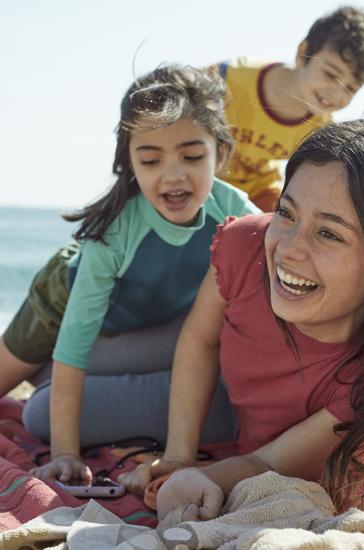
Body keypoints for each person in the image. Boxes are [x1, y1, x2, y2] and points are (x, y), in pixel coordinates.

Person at [121, 120, 364, 530]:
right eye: (286, 212)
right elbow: (200, 340)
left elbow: (265, 462)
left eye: (329, 234)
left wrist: (196, 479)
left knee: (45, 411)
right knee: (56, 400)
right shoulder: (247, 244)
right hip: (216, 385)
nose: (289, 248)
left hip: (257, 436)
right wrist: (178, 454)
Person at [0, 64, 259, 483]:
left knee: (49, 394)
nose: (173, 174)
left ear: (221, 153)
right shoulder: (115, 232)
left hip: (155, 323)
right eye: (151, 159)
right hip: (62, 300)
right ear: (130, 163)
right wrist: (64, 453)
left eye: (192, 156)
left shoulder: (236, 214)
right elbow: (74, 346)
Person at [214, 6, 364, 211]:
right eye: (331, 75)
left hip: (259, 193)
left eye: (351, 88)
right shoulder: (226, 78)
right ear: (303, 53)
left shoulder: (321, 130)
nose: (336, 94)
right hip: (206, 179)